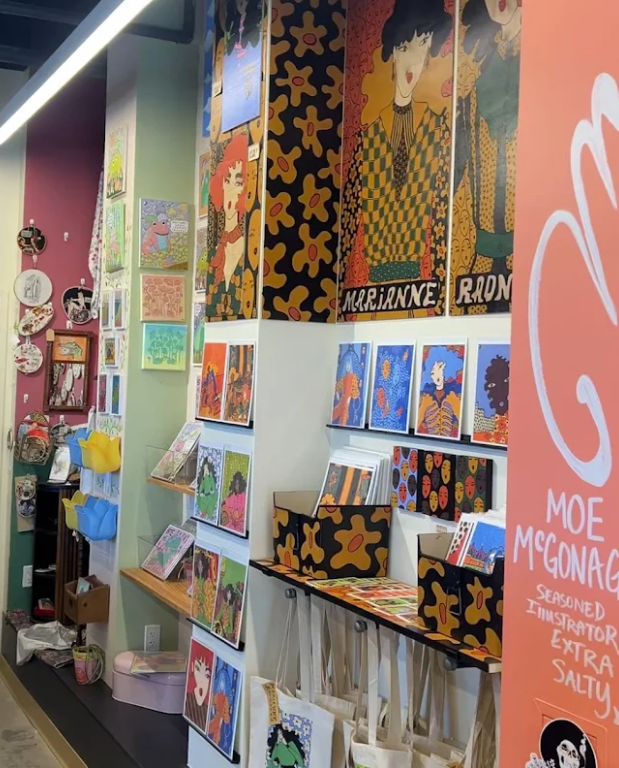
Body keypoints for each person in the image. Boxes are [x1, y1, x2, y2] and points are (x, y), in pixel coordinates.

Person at [340, 0, 452, 305]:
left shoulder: (438, 128)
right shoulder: (368, 138)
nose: (412, 61)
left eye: (422, 45)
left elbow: (442, 220)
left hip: (418, 296)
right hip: (372, 296)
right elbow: (347, 225)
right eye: (404, 47)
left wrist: (442, 292)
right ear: (391, 54)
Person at [452, 0, 522, 312]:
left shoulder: (546, 58)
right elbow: (460, 161)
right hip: (481, 256)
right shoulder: (475, 69)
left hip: (535, 247)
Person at [206, 133, 248, 317]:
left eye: (238, 182)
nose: (231, 190)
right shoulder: (214, 253)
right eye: (227, 180)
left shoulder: (249, 252)